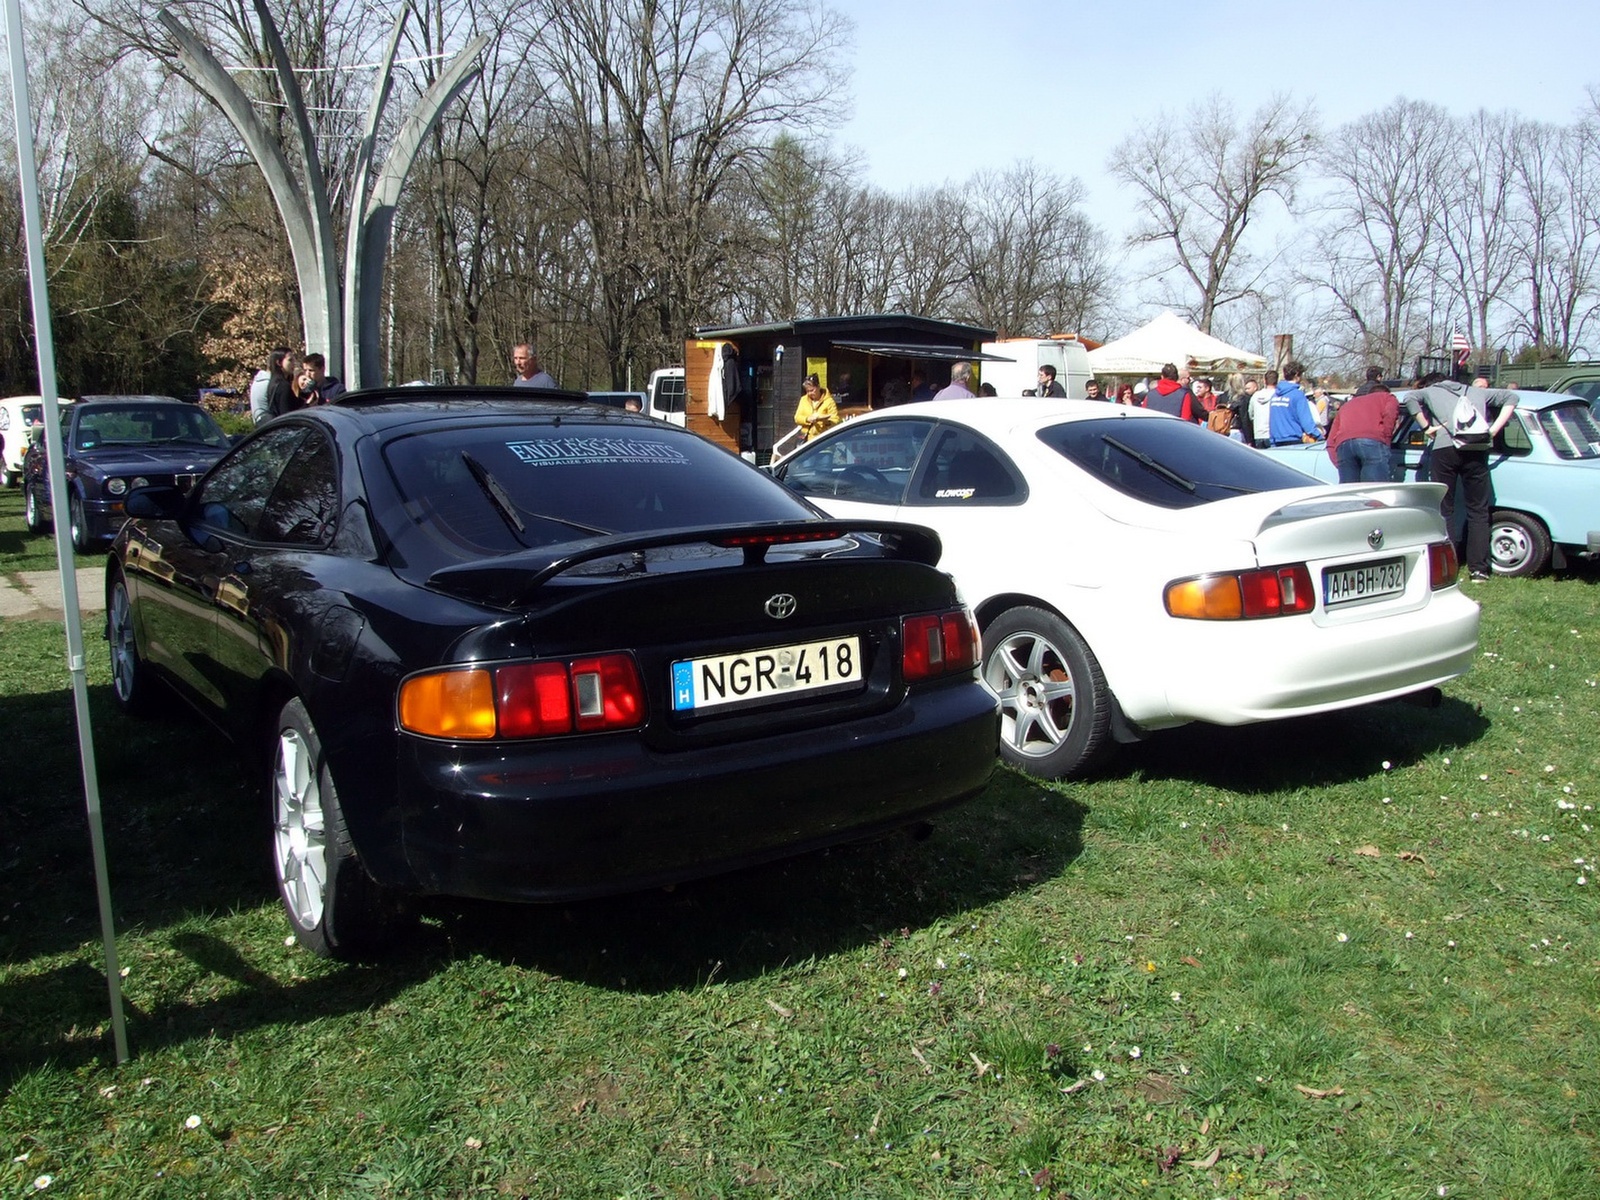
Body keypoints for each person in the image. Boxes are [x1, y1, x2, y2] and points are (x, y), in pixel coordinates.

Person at [1403, 373, 1518, 581]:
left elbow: (1409, 398)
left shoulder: (1430, 391)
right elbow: (1512, 398)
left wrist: (1427, 427)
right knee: (1478, 510)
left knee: (1445, 508)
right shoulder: (1477, 392)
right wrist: (1492, 431)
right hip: (1476, 447)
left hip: (1445, 449)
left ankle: (1450, 563)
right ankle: (1479, 569)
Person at [1326, 368, 1398, 482]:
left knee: (1350, 492)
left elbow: (1330, 442)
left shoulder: (1347, 405)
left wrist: (1339, 463)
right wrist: (1386, 443)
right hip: (1371, 442)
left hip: (1343, 446)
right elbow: (1390, 418)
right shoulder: (1388, 397)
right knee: (1374, 490)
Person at [1267, 361, 1321, 445]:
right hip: (1293, 439)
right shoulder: (1297, 395)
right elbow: (1306, 421)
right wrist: (1318, 436)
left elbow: (1272, 420)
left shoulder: (1275, 395)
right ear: (1296, 375)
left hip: (1276, 440)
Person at [793, 374, 838, 441]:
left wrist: (825, 421)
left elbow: (835, 420)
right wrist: (807, 419)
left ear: (818, 387)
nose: (809, 393)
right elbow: (797, 418)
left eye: (812, 390)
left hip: (822, 438)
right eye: (807, 391)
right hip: (806, 439)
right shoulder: (804, 399)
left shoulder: (829, 401)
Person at [266, 346, 301, 419]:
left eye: (294, 360)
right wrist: (307, 405)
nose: (294, 364)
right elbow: (286, 414)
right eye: (290, 360)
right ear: (279, 362)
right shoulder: (283, 386)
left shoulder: (274, 381)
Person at [1250, 371, 1278, 447]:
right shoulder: (1277, 395)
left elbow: (1251, 414)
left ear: (1264, 381)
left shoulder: (1256, 395)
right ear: (1277, 381)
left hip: (1258, 433)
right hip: (1272, 433)